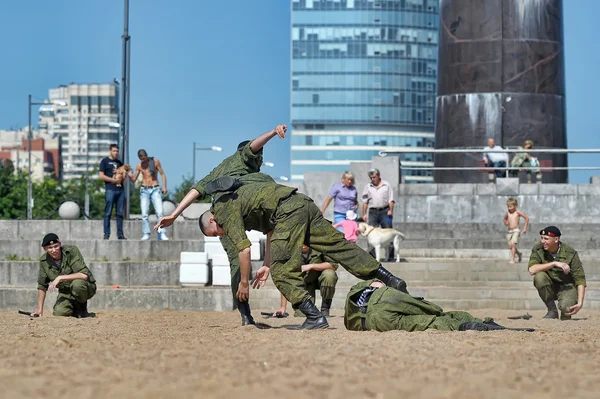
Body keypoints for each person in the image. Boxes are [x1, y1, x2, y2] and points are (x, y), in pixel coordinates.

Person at [198, 180, 410, 330]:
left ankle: (314, 316)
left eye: (215, 232)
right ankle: (389, 278)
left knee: (282, 272)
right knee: (338, 246)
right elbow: (271, 231)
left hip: (287, 213)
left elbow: (244, 249)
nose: (220, 234)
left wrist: (243, 283)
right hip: (302, 204)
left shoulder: (223, 209)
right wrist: (266, 263)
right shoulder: (242, 200)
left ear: (211, 220)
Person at [155, 124, 287, 326]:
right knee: (238, 260)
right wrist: (272, 132)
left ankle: (245, 314)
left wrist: (174, 214)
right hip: (227, 216)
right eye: (259, 159)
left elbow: (197, 189)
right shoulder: (241, 158)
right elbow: (253, 146)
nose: (260, 162)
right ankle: (245, 314)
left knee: (238, 260)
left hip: (236, 212)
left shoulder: (221, 170)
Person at [344, 279, 533, 332]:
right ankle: (479, 321)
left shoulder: (352, 300)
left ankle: (464, 326)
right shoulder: (375, 287)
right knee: (434, 312)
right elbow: (376, 284)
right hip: (384, 296)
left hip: (368, 322)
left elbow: (349, 322)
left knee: (427, 322)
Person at [30, 233, 96, 318]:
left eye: (56, 246)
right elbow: (42, 286)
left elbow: (84, 275)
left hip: (85, 287)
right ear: (45, 249)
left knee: (77, 285)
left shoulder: (71, 251)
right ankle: (74, 308)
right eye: (50, 248)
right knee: (59, 312)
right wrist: (40, 309)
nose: (54, 250)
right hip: (66, 292)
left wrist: (60, 277)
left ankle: (82, 308)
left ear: (60, 244)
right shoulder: (44, 261)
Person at [528, 226, 586, 320]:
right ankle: (552, 310)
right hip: (550, 285)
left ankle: (565, 313)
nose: (543, 241)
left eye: (546, 239)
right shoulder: (538, 249)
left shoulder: (569, 253)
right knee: (539, 277)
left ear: (556, 239)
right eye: (542, 238)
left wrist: (580, 302)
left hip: (567, 287)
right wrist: (554, 263)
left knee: (567, 309)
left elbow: (580, 279)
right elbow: (532, 270)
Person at [272, 245, 338, 318]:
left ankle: (325, 308)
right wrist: (283, 307)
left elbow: (333, 265)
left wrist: (311, 266)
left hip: (319, 278)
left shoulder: (319, 244)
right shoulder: (291, 250)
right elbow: (286, 279)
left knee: (329, 274)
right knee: (302, 315)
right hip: (304, 285)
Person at [129, 149, 169, 241]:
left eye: (144, 158)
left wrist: (164, 186)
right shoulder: (139, 166)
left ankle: (161, 233)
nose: (143, 160)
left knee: (159, 212)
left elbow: (162, 174)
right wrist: (130, 176)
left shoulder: (155, 161)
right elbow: (134, 179)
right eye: (141, 159)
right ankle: (146, 233)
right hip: (144, 190)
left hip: (155, 188)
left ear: (147, 156)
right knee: (144, 214)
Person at [361, 168, 395, 260]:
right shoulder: (368, 186)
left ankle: (390, 256)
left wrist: (391, 210)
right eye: (371, 177)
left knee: (389, 232)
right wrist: (364, 213)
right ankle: (372, 257)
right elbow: (365, 201)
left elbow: (391, 200)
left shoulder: (386, 185)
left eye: (374, 177)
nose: (372, 179)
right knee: (370, 233)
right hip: (372, 212)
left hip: (385, 211)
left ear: (378, 176)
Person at [99, 144, 126, 240]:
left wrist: (121, 174)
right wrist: (113, 180)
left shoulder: (120, 162)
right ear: (110, 151)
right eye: (114, 151)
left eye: (117, 151)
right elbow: (101, 176)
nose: (116, 153)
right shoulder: (105, 161)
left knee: (120, 213)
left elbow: (124, 177)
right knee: (108, 213)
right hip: (110, 189)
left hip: (120, 190)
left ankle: (120, 234)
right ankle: (106, 234)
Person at [503, 197, 529, 264]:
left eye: (510, 207)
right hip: (510, 231)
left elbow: (526, 218)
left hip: (516, 230)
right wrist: (506, 222)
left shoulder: (517, 212)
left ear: (515, 206)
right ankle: (519, 254)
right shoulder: (508, 213)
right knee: (510, 246)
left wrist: (524, 228)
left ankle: (512, 259)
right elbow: (505, 219)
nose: (509, 208)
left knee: (513, 244)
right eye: (508, 207)